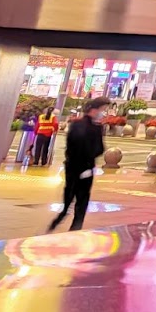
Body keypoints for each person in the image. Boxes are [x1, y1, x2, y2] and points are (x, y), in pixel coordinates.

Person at [48, 98, 107, 232]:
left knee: (70, 194)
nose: (103, 113)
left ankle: (59, 219)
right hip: (86, 167)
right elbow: (99, 149)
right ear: (94, 110)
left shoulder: (75, 124)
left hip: (72, 166)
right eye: (102, 110)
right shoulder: (95, 128)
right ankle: (75, 225)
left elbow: (70, 146)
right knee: (82, 198)